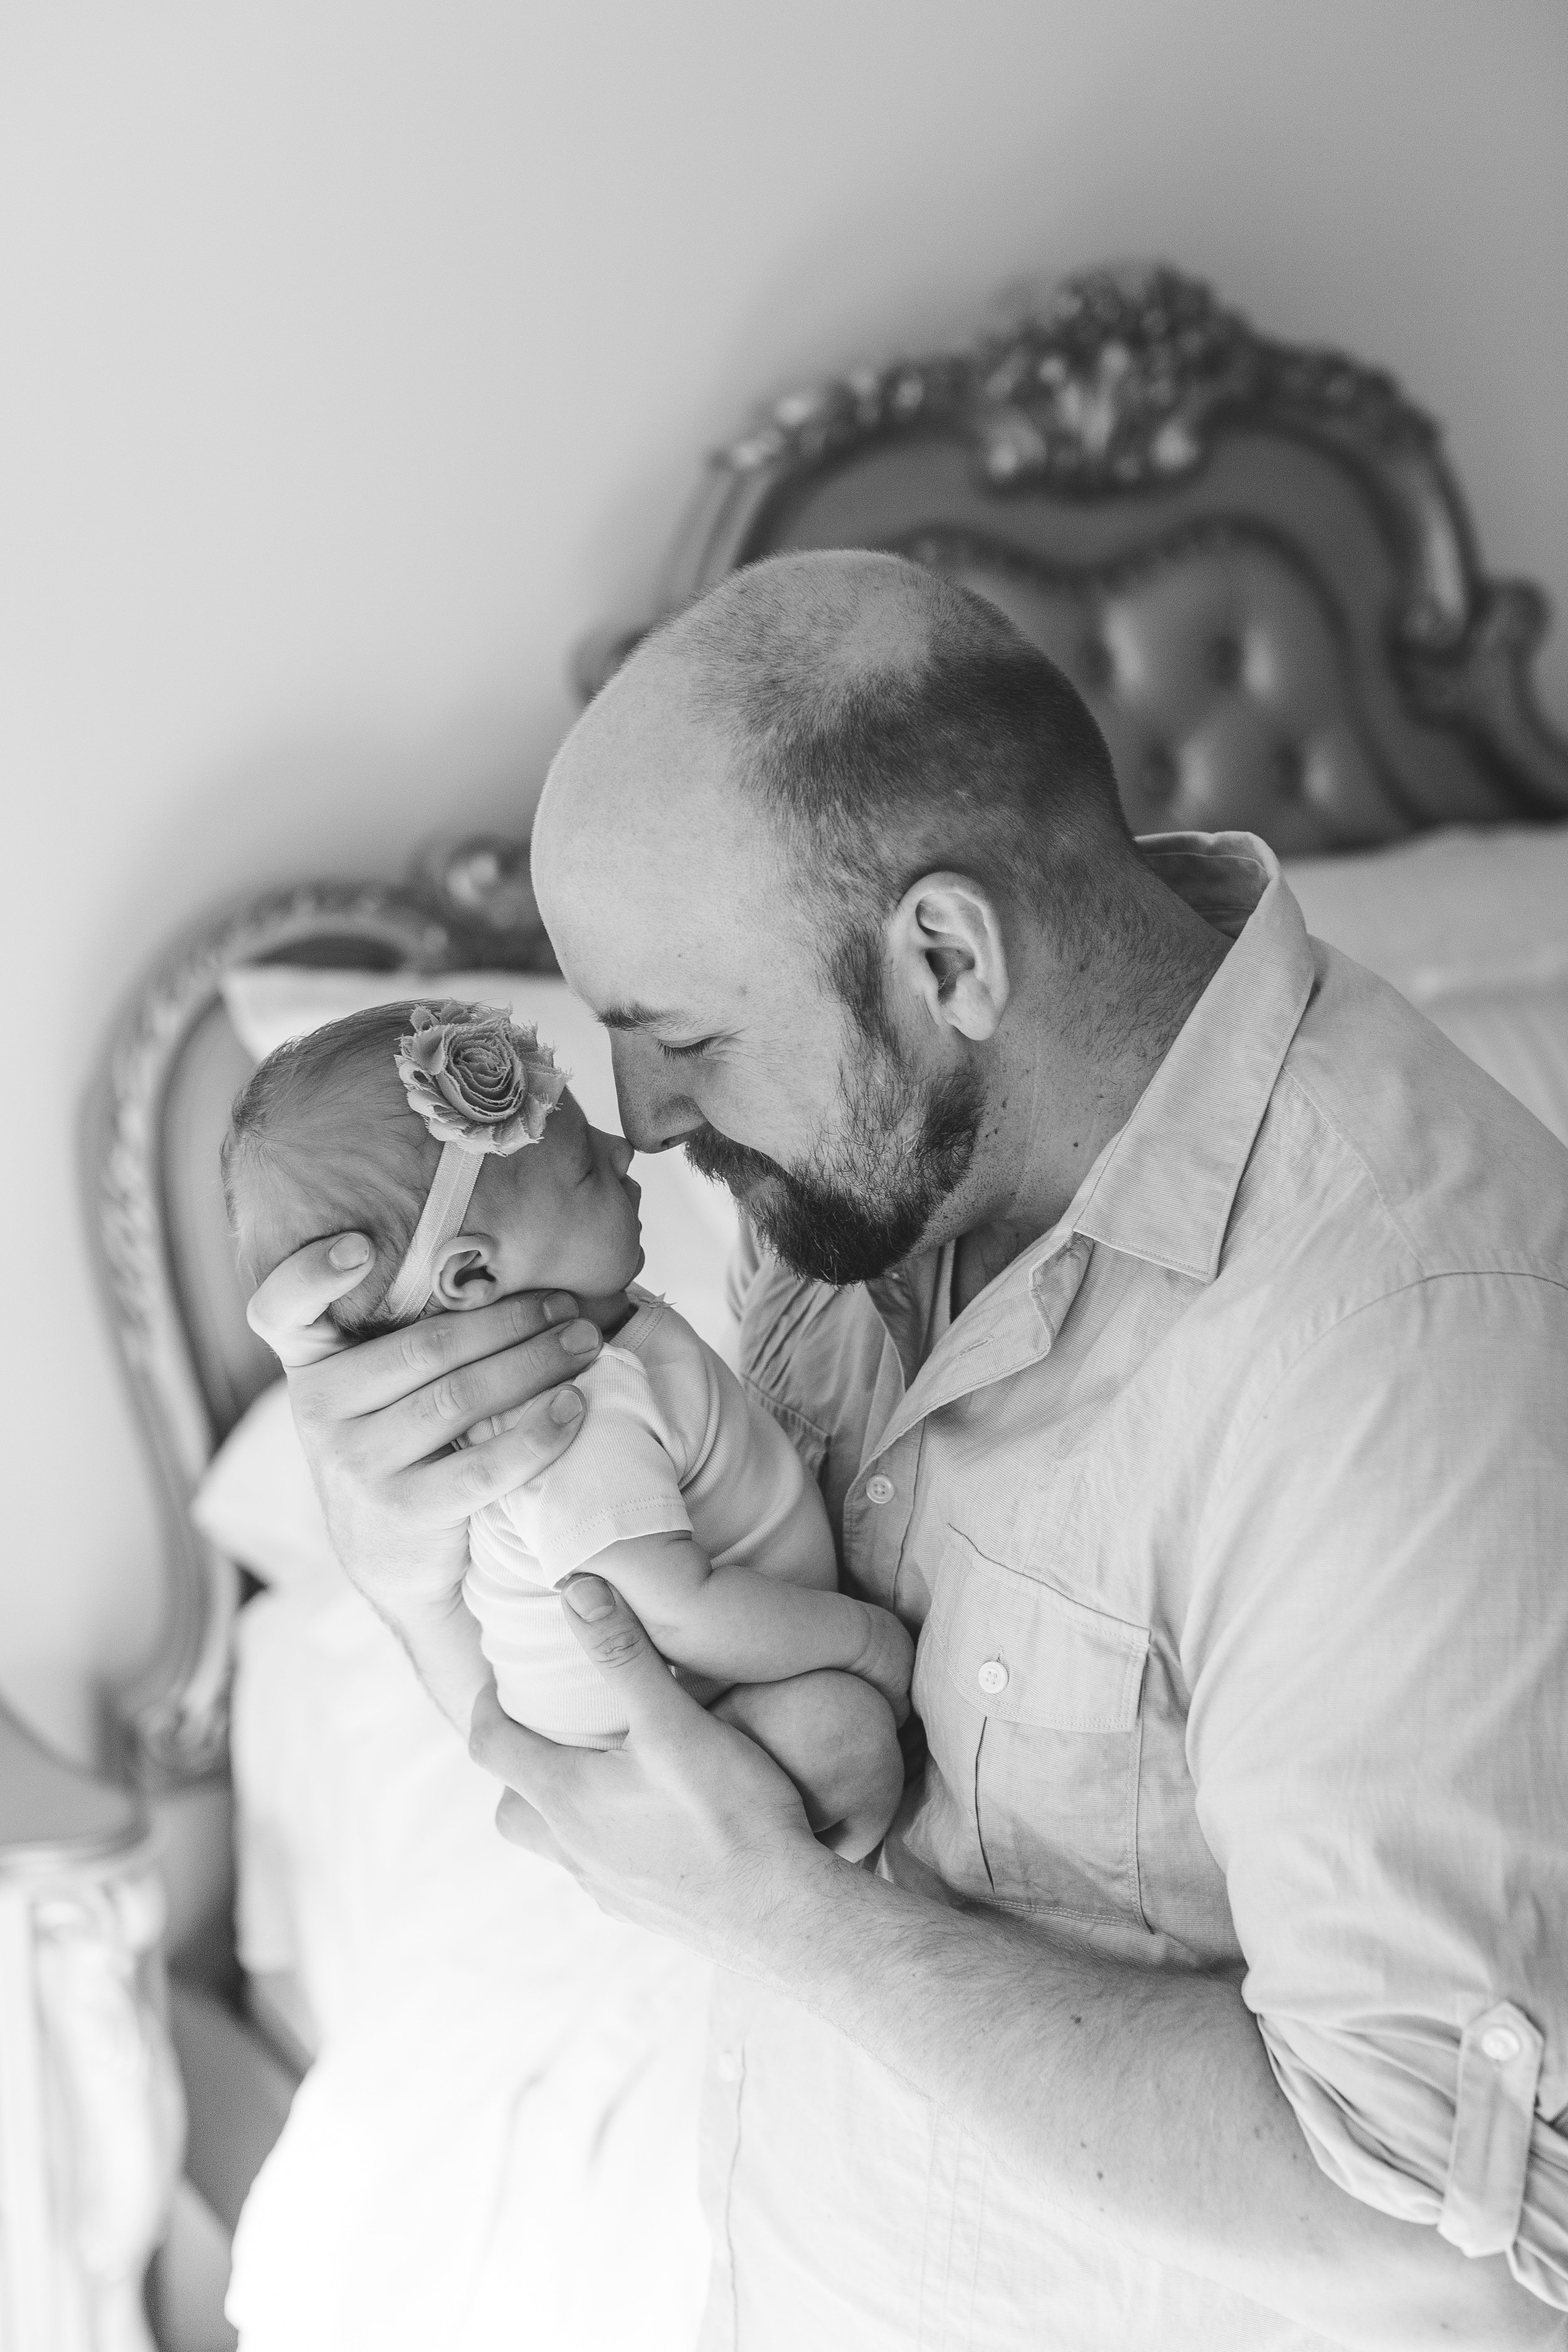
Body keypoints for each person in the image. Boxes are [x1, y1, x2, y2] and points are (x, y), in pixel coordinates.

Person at [250, 552, 1568, 2349]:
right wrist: (418, 1537)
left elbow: (1429, 2210)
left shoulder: (1403, 1336)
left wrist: (790, 1921)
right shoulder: (863, 1164)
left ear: (947, 954)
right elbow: (666, 1690)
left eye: (683, 1037)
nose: (637, 1130)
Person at [223, 996, 911, 1855]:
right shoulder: (571, 1418)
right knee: (838, 1728)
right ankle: (830, 1869)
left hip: (687, 1701)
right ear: (474, 1273)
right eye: (586, 1166)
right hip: (663, 1737)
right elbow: (684, 1610)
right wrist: (868, 1639)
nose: (629, 1149)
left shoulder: (607, 1344)